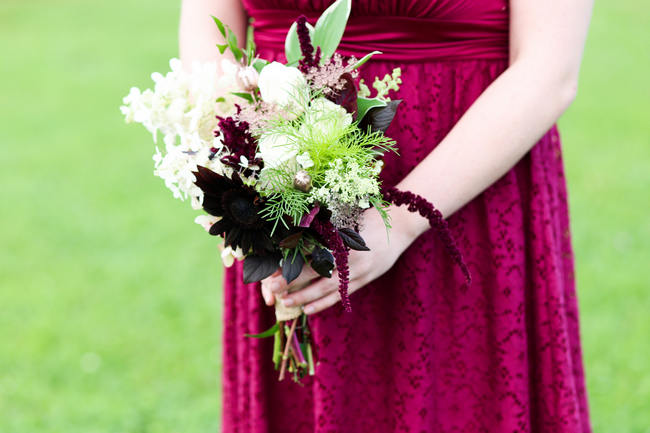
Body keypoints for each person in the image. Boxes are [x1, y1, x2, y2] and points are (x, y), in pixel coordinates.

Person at [180, 0, 593, 431]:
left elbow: (548, 70)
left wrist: (402, 219)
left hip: (466, 192)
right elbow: (206, 38)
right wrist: (259, 178)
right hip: (289, 191)